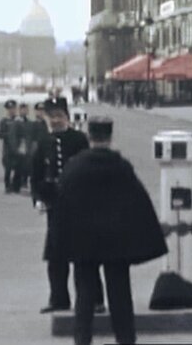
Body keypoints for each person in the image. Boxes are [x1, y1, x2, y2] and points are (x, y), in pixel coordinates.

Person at [58, 116, 168, 345]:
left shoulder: (74, 166)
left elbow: (63, 204)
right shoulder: (121, 167)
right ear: (110, 137)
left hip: (83, 243)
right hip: (116, 243)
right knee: (120, 294)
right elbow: (139, 202)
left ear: (89, 136)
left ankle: (82, 339)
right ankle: (125, 338)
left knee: (84, 294)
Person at [30, 97, 102, 314]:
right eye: (51, 116)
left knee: (85, 256)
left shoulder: (79, 139)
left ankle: (94, 300)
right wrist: (39, 198)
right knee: (56, 257)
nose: (55, 120)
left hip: (79, 205)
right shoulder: (43, 141)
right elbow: (36, 173)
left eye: (59, 116)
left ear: (67, 117)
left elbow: (88, 169)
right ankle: (59, 299)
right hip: (55, 206)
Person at [0, 100, 24, 194]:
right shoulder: (4, 121)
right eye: (9, 109)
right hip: (8, 149)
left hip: (17, 148)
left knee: (18, 168)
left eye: (13, 108)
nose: (11, 110)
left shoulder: (19, 121)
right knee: (8, 169)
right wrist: (9, 135)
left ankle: (16, 186)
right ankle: (7, 186)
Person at [18, 103, 36, 190]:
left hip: (28, 147)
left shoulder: (30, 123)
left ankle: (25, 182)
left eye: (25, 110)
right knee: (19, 166)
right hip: (19, 147)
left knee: (27, 165)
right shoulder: (16, 122)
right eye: (22, 109)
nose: (24, 111)